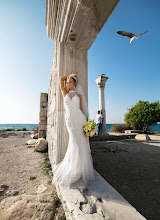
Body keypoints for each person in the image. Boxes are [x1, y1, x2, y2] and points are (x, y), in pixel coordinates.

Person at [52, 72, 94, 189]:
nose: (67, 83)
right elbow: (61, 79)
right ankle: (72, 169)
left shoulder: (79, 96)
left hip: (79, 120)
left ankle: (79, 170)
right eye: (67, 82)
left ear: (74, 83)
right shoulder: (64, 92)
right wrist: (69, 75)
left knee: (80, 144)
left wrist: (87, 125)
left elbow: (81, 109)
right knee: (73, 142)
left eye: (70, 82)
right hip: (70, 121)